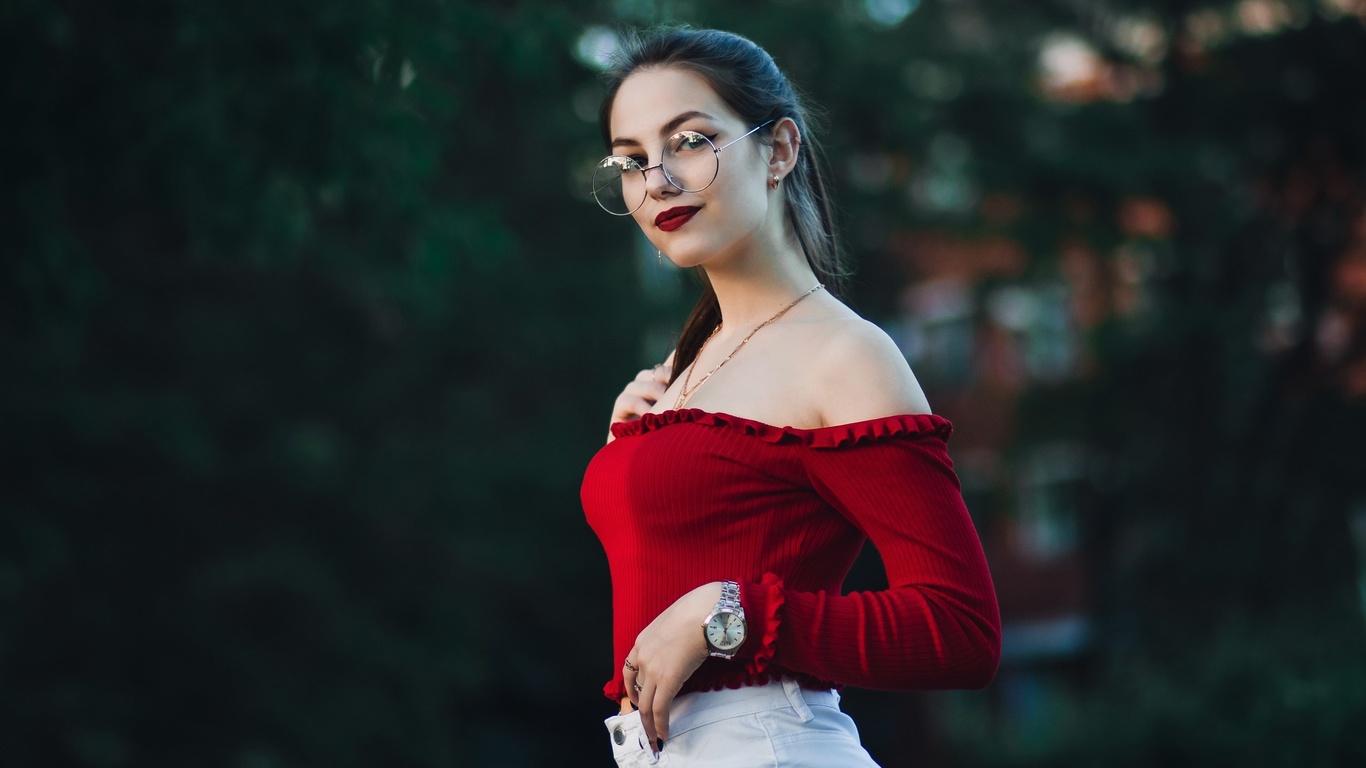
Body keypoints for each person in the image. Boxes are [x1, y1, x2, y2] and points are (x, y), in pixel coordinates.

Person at [580, 27, 1000, 767]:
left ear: (778, 150)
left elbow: (959, 629)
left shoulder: (844, 355)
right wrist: (635, 451)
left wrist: (726, 614)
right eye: (633, 160)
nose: (657, 182)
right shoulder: (682, 367)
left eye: (689, 141)